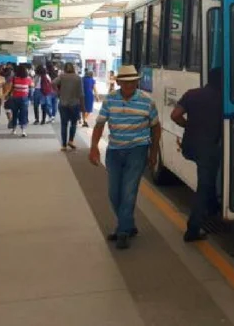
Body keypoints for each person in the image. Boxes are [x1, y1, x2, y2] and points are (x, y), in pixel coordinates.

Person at [89, 65, 160, 250]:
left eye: (132, 82)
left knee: (128, 190)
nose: (129, 85)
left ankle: (122, 231)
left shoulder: (147, 101)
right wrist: (94, 147)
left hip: (138, 149)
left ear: (137, 82)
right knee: (114, 193)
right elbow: (100, 124)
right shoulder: (110, 100)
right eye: (125, 82)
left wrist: (153, 153)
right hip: (114, 151)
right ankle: (128, 225)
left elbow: (156, 127)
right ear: (119, 82)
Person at [171, 67, 224, 242]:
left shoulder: (192, 94)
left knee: (208, 181)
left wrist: (188, 126)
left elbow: (175, 115)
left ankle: (212, 209)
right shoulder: (222, 99)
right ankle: (193, 229)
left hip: (190, 146)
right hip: (208, 148)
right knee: (204, 186)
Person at [53, 63, 84, 151]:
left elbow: (53, 83)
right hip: (74, 104)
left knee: (64, 124)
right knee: (73, 124)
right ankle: (71, 141)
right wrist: (82, 107)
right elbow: (81, 94)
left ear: (65, 69)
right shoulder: (78, 78)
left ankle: (63, 145)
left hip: (63, 104)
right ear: (73, 68)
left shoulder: (62, 76)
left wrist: (57, 92)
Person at [9, 64, 32, 137]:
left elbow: (10, 87)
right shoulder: (28, 78)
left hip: (15, 98)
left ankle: (14, 129)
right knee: (23, 114)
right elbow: (32, 85)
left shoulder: (14, 78)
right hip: (24, 98)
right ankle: (23, 131)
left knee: (14, 113)